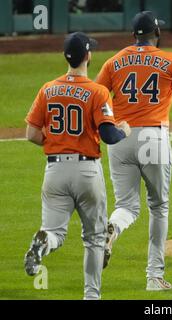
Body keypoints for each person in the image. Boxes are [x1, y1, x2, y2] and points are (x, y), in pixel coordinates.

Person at [95, 11, 172, 291]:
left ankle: (113, 227)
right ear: (156, 34)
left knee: (126, 206)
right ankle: (154, 277)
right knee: (159, 206)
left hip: (120, 138)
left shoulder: (114, 61)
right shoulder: (168, 59)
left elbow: (96, 97)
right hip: (154, 136)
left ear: (134, 36)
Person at [24, 32, 131, 300]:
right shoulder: (98, 91)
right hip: (86, 171)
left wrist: (58, 142)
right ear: (88, 56)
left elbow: (31, 134)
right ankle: (91, 296)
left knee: (55, 233)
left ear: (65, 56)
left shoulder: (47, 89)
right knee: (95, 238)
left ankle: (43, 242)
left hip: (55, 170)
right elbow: (108, 135)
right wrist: (124, 132)